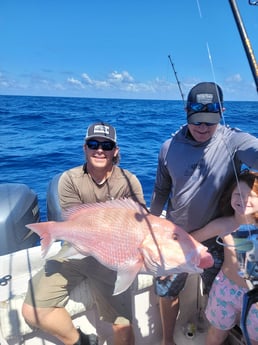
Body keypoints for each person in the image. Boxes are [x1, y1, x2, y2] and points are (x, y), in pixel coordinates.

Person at [149, 81, 258, 345]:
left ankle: (223, 331)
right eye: (197, 120)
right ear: (187, 111)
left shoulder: (234, 141)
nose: (202, 127)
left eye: (210, 121)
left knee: (221, 289)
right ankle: (167, 340)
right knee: (167, 291)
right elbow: (161, 191)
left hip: (218, 236)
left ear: (222, 113)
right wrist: (152, 230)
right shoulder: (168, 147)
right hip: (177, 236)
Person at [22, 122, 145, 345]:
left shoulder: (129, 181)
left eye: (106, 145)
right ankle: (82, 341)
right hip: (78, 250)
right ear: (85, 148)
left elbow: (140, 223)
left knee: (123, 329)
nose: (100, 149)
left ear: (115, 151)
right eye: (93, 143)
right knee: (33, 309)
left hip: (113, 258)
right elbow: (74, 220)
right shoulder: (69, 179)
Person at [192, 170, 258, 345]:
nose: (244, 200)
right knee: (216, 332)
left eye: (251, 195)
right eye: (238, 194)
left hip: (255, 295)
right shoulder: (224, 224)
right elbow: (193, 239)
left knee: (253, 339)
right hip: (225, 289)